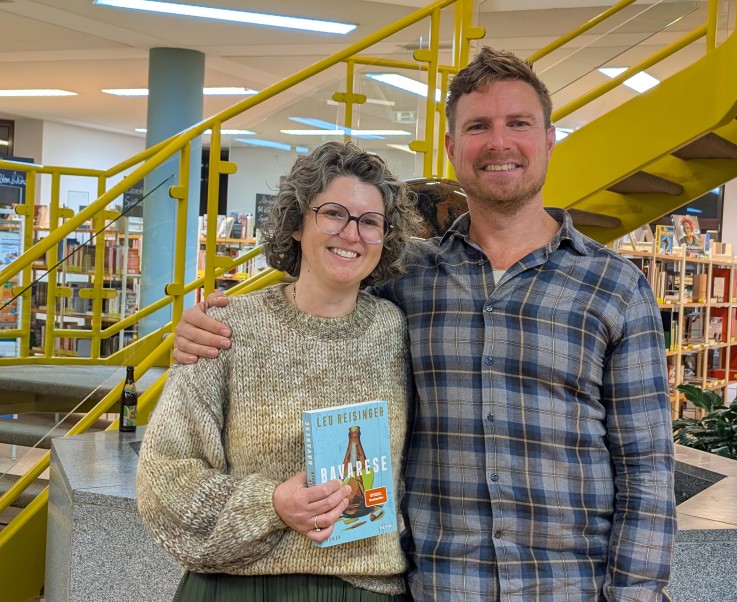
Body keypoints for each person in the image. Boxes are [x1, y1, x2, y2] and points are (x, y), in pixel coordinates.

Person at [173, 47, 677, 601]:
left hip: (568, 588)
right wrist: (214, 327)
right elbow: (317, 287)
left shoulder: (616, 288)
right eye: (478, 126)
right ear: (452, 146)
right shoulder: (405, 277)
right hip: (440, 586)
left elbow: (647, 470)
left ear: (550, 139)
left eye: (519, 124)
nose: (499, 143)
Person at [137, 140, 422, 601]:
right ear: (296, 224)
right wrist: (270, 505)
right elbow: (163, 479)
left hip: (367, 587)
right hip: (239, 586)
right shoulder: (227, 329)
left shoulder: (397, 331)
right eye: (333, 213)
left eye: (370, 222)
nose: (351, 234)